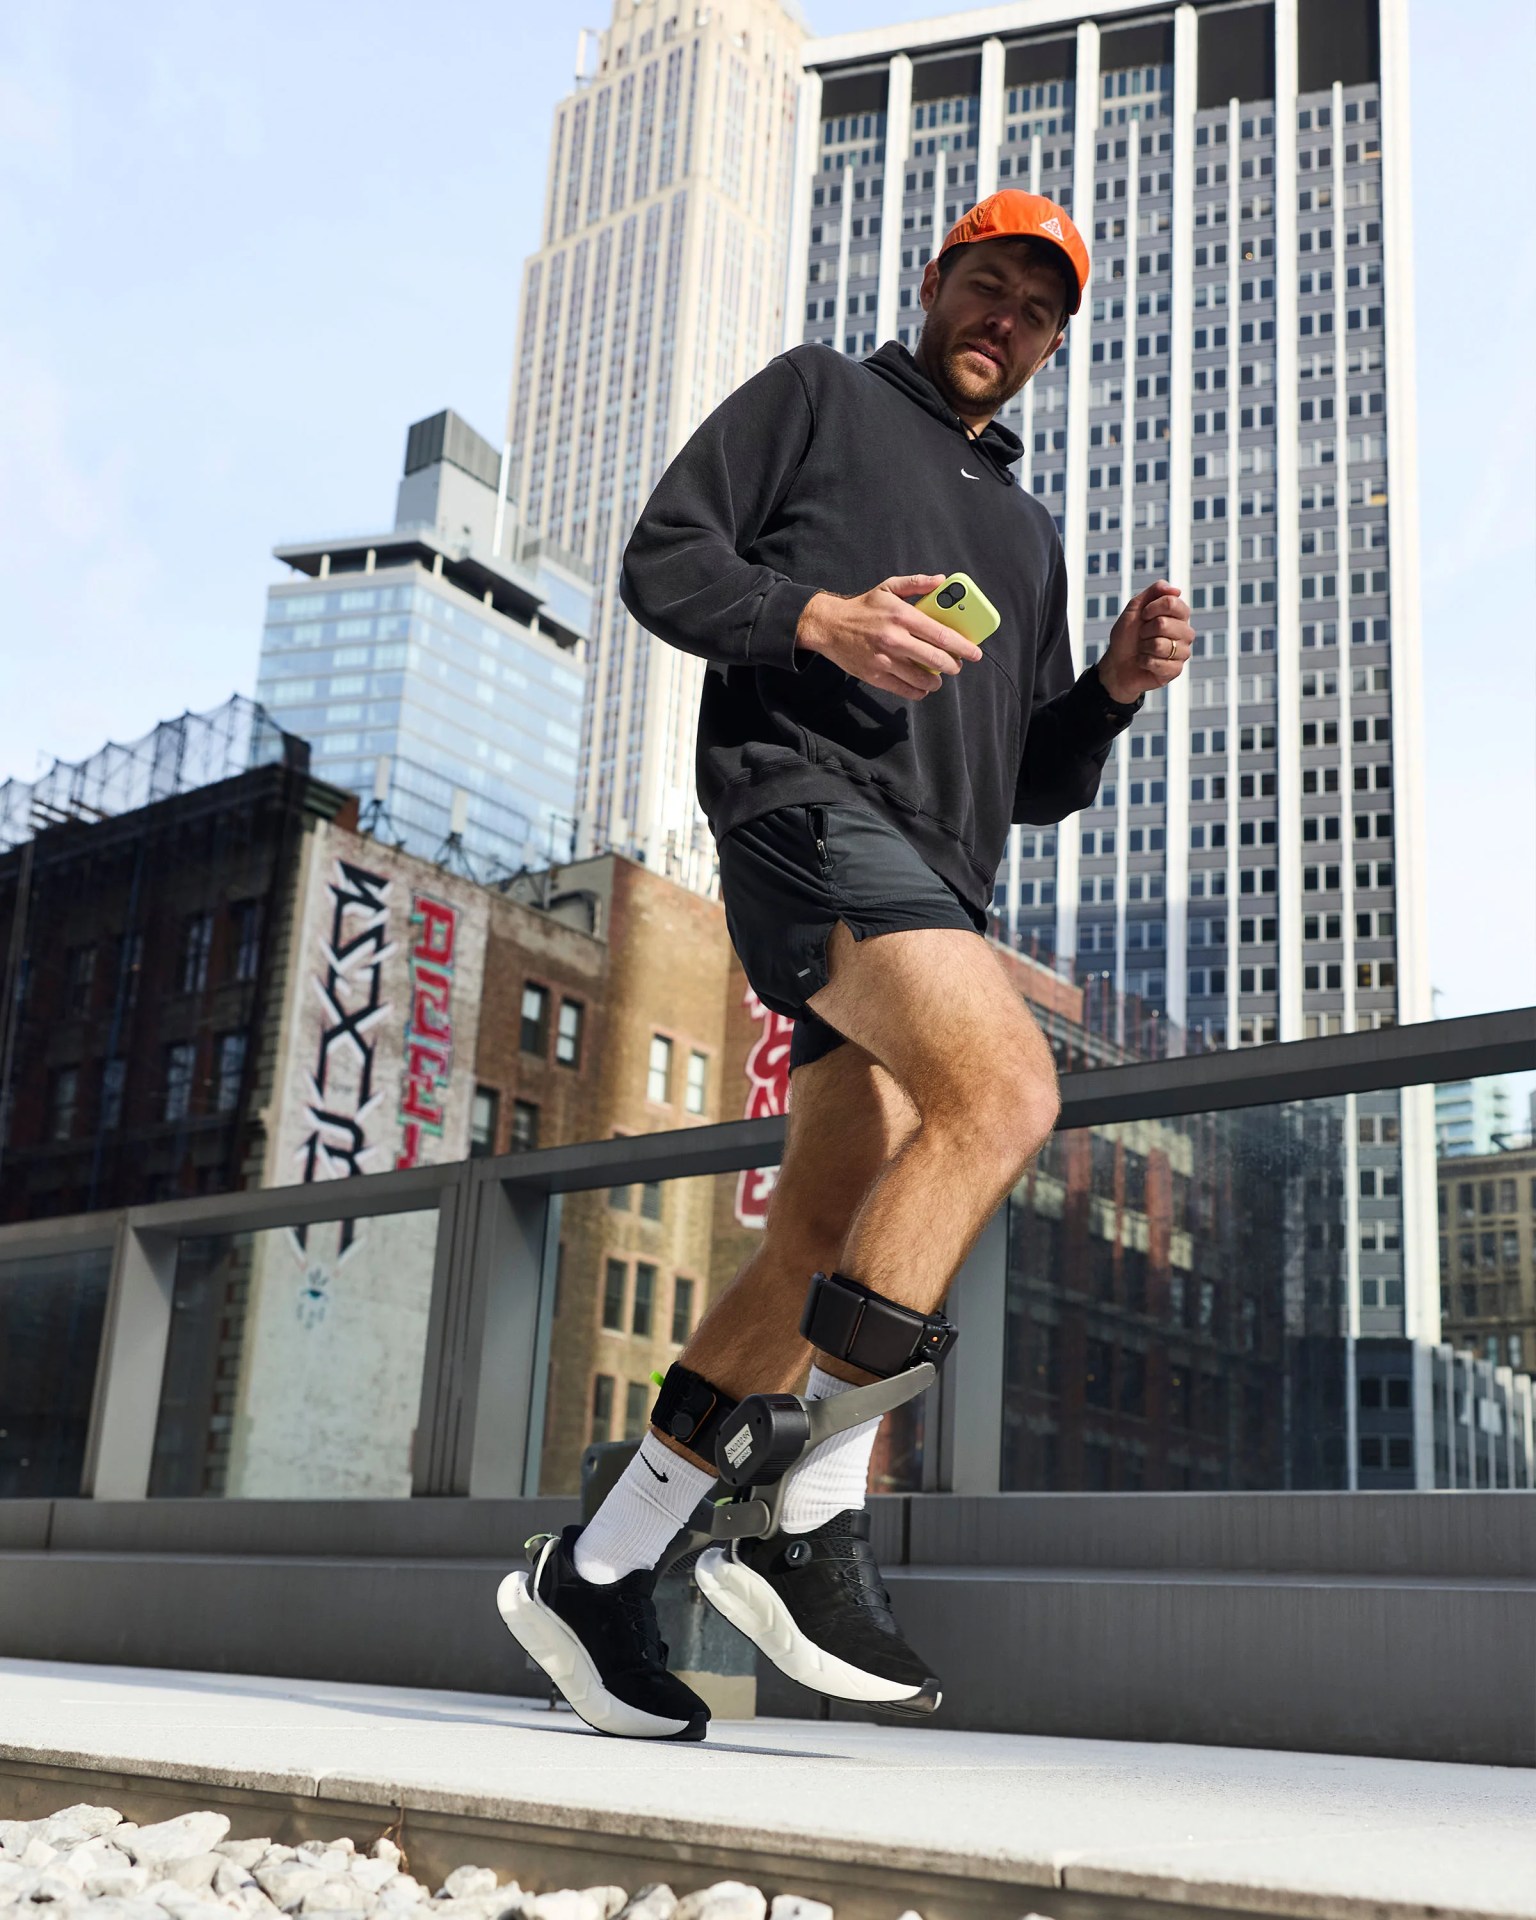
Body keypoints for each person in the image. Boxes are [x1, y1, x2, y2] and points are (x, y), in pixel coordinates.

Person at [498, 190, 1194, 1741]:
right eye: (987, 287)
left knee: (815, 1236)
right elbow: (662, 561)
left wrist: (1114, 692)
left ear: (1049, 350)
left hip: (934, 879)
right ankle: (808, 1511)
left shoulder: (1023, 531)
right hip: (803, 813)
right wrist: (816, 618)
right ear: (935, 283)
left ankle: (597, 1572)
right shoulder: (817, 393)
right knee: (1009, 1088)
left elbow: (1026, 774)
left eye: (1036, 314)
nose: (1004, 324)